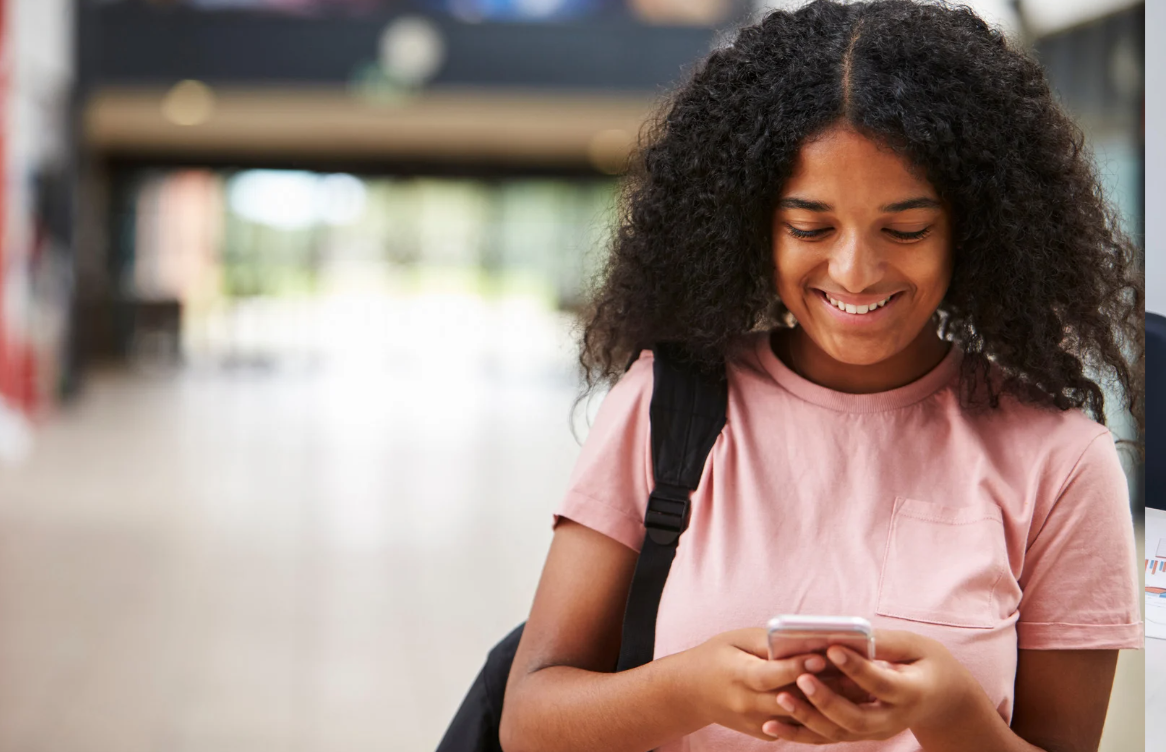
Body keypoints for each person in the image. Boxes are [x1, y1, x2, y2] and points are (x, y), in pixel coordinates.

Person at [499, 1, 1144, 750]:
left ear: (973, 229)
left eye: (905, 229)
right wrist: (689, 688)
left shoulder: (1060, 460)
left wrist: (949, 712)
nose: (855, 271)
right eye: (810, 227)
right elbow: (529, 722)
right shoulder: (666, 406)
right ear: (751, 226)